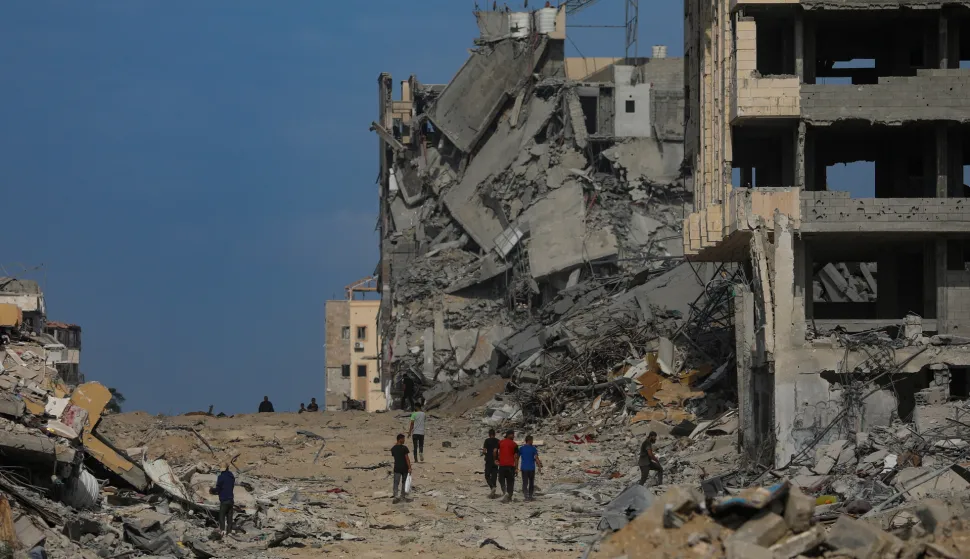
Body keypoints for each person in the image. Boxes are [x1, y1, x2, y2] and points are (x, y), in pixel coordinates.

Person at [497, 430, 519, 503]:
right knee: (510, 482)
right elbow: (516, 457)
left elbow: (495, 451)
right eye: (512, 435)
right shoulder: (514, 444)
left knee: (501, 479)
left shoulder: (500, 442)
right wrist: (516, 468)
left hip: (502, 465)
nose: (513, 436)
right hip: (510, 466)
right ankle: (509, 497)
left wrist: (496, 459)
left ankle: (505, 492)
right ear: (509, 435)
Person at [518, 435, 542, 501]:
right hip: (531, 468)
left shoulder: (521, 448)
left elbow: (517, 457)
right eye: (532, 440)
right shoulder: (533, 448)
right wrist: (539, 466)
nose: (532, 442)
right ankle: (530, 496)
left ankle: (526, 496)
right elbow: (536, 458)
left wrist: (516, 466)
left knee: (525, 483)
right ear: (529, 440)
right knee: (531, 483)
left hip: (524, 468)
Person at [391, 433, 412, 504]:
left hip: (397, 467)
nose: (404, 440)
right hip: (404, 468)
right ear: (400, 439)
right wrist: (409, 467)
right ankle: (402, 496)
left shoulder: (393, 448)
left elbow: (395, 457)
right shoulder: (404, 448)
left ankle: (395, 496)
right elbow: (407, 458)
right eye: (403, 439)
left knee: (396, 482)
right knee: (404, 482)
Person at [214, 463, 235, 535]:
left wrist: (212, 490)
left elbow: (218, 488)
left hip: (224, 500)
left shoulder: (221, 477)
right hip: (231, 499)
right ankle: (229, 531)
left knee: (221, 516)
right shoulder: (232, 477)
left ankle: (222, 530)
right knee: (229, 516)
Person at [482, 428, 502, 498]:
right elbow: (500, 451)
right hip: (496, 460)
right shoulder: (498, 441)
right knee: (494, 475)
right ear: (494, 434)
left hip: (489, 459)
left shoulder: (487, 441)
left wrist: (485, 455)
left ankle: (492, 487)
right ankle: (493, 492)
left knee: (487, 475)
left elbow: (484, 451)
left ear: (489, 434)